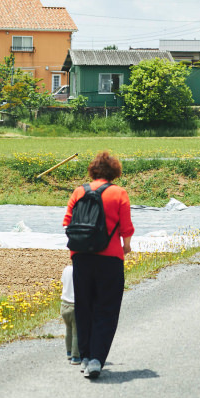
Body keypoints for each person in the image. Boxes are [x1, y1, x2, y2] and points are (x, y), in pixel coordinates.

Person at [62, 150, 134, 380]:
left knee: (84, 306)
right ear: (115, 172)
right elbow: (126, 228)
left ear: (93, 171)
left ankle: (84, 357)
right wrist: (126, 246)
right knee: (106, 308)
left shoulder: (79, 191)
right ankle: (96, 359)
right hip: (110, 258)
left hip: (81, 256)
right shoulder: (119, 193)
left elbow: (67, 223)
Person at [60, 263, 80, 365]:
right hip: (74, 305)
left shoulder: (66, 269)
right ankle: (76, 356)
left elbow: (63, 282)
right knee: (77, 332)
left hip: (64, 305)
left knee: (68, 329)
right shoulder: (80, 271)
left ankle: (69, 352)